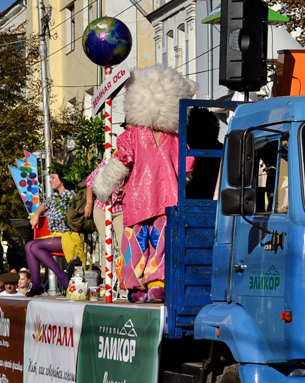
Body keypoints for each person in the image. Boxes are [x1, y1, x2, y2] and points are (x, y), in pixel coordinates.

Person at [93, 64, 198, 303]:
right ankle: (157, 283)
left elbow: (121, 163)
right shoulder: (176, 139)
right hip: (168, 200)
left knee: (136, 242)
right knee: (161, 242)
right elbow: (187, 167)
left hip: (138, 200)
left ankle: (135, 285)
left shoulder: (131, 136)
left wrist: (104, 186)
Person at [23, 173, 85, 297]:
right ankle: (36, 285)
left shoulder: (72, 196)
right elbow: (43, 206)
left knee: (35, 247)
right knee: (28, 246)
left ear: (62, 180)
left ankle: (62, 277)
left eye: (53, 178)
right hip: (54, 237)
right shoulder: (54, 197)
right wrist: (36, 215)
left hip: (69, 236)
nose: (50, 181)